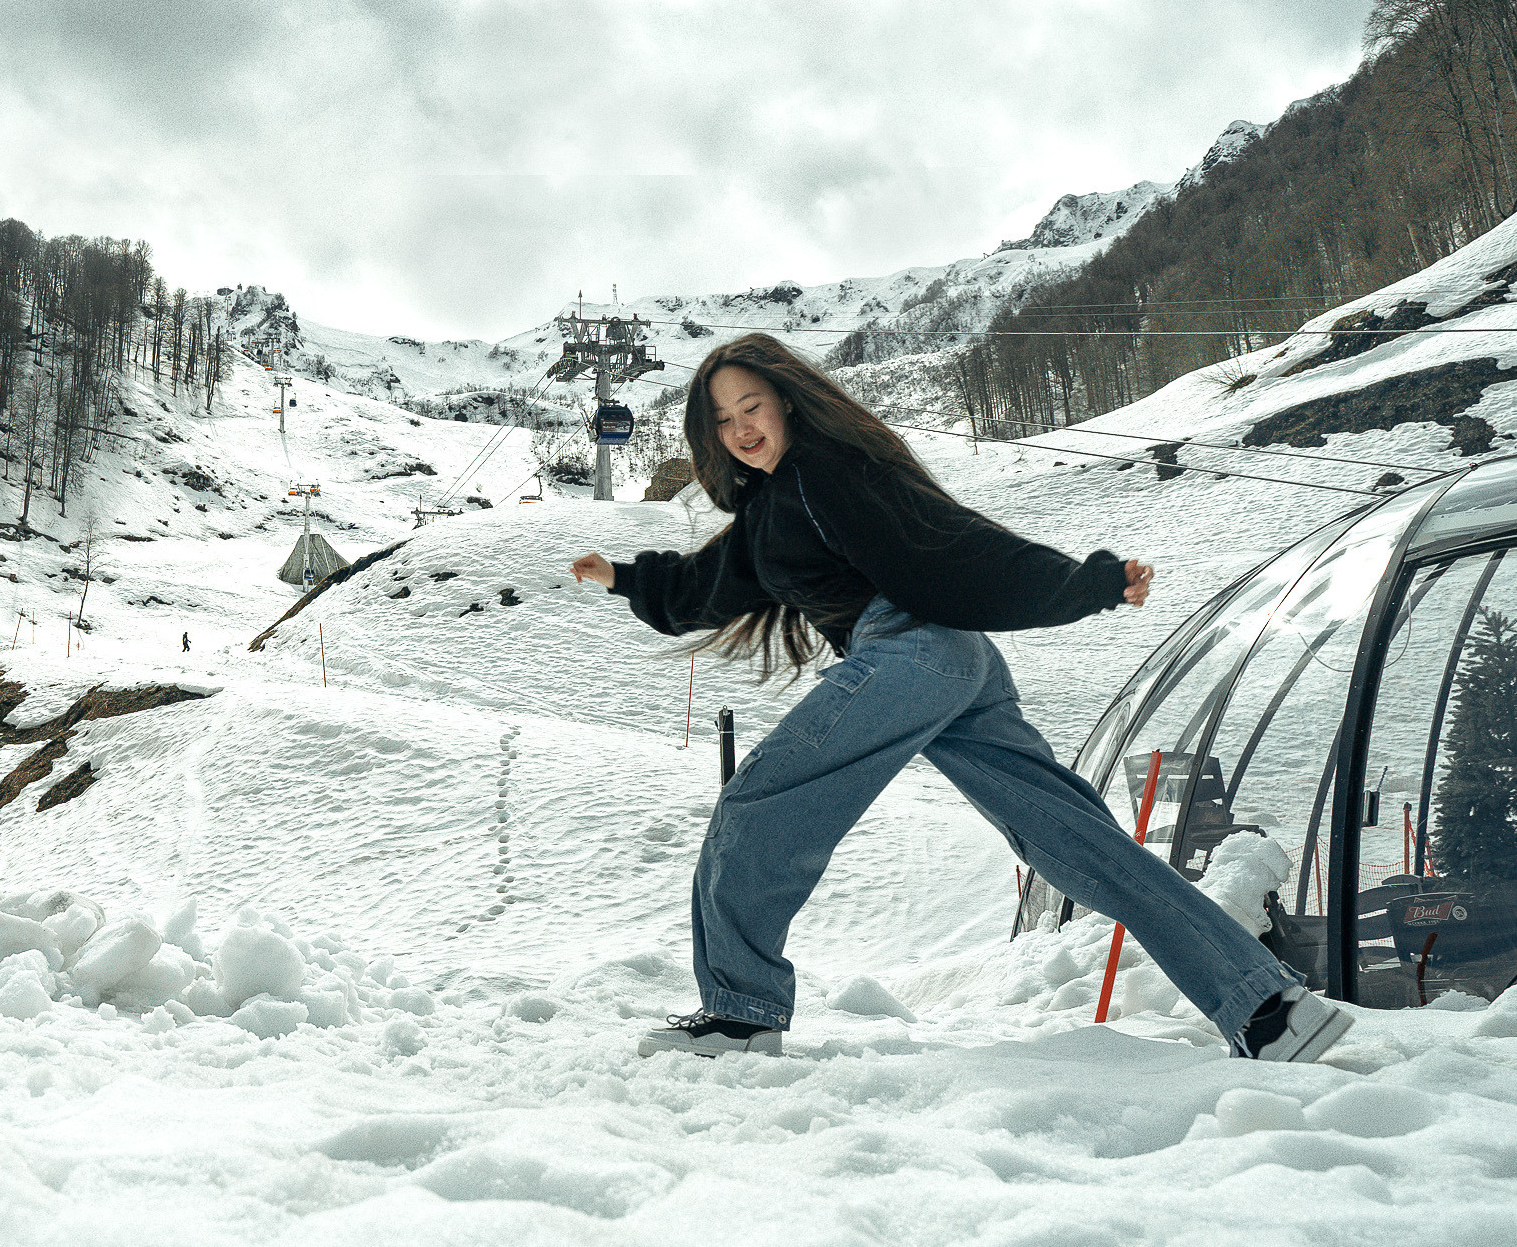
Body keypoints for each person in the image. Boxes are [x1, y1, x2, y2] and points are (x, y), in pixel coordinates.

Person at [569, 333, 1351, 1064]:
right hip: (954, 662)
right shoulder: (772, 508)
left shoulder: (827, 473)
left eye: (753, 407)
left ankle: (740, 1014)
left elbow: (951, 549)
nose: (743, 428)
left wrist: (1086, 583)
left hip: (913, 652)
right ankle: (1269, 1011)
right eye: (725, 418)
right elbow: (708, 585)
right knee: (1071, 841)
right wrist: (627, 578)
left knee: (760, 803)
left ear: (787, 403)